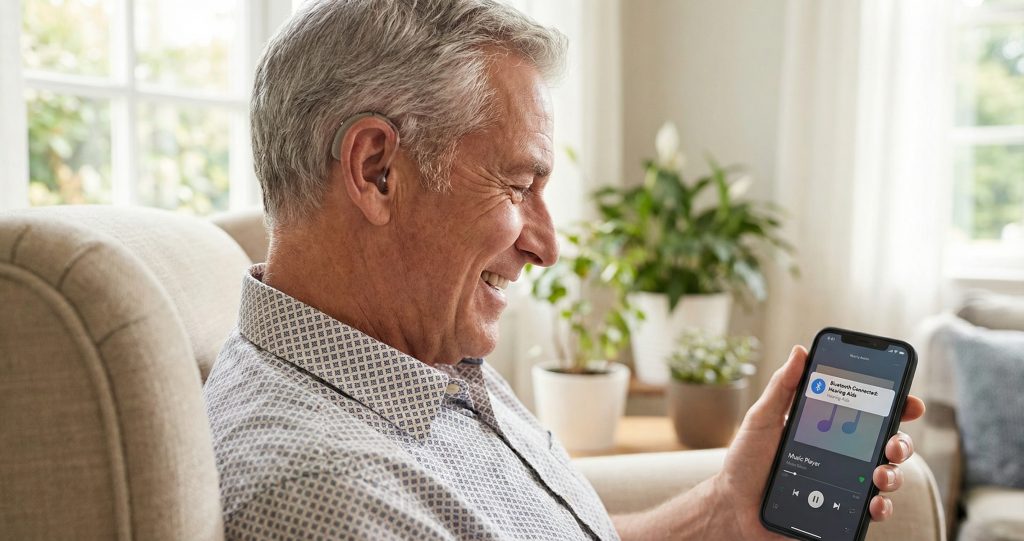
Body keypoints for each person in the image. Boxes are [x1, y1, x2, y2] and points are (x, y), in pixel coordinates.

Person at [203, 0, 926, 539]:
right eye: (518, 186)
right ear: (378, 170)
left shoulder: (408, 357)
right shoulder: (332, 493)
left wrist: (723, 508)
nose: (546, 245)